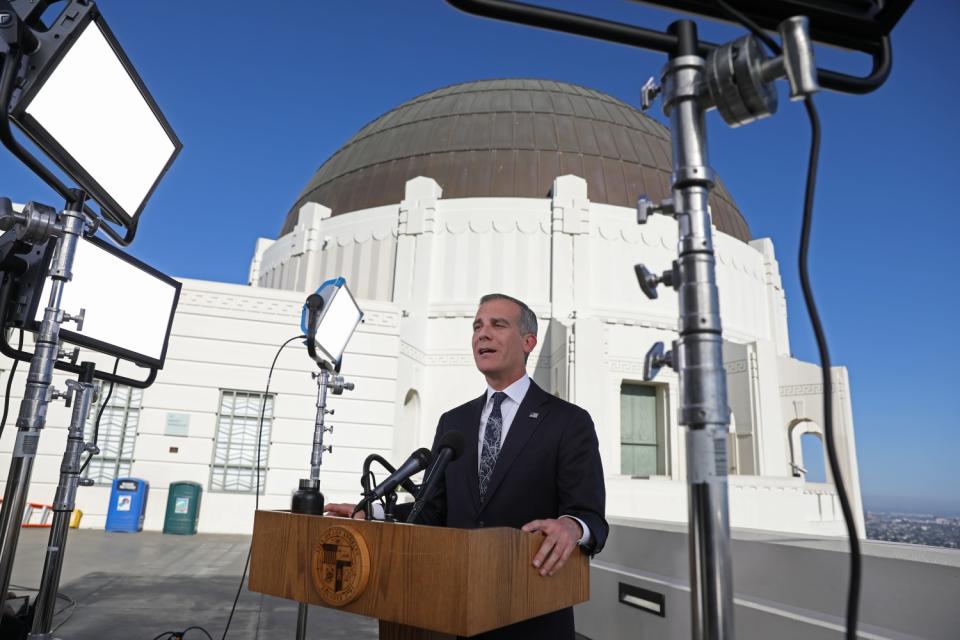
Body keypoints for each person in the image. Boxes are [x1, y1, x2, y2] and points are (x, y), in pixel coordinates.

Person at [325, 293, 607, 639]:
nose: (482, 334)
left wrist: (572, 527)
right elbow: (432, 509)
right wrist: (374, 513)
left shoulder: (568, 421)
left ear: (528, 342)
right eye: (477, 326)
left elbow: (590, 516)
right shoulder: (454, 422)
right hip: (452, 614)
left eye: (497, 325)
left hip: (532, 612)